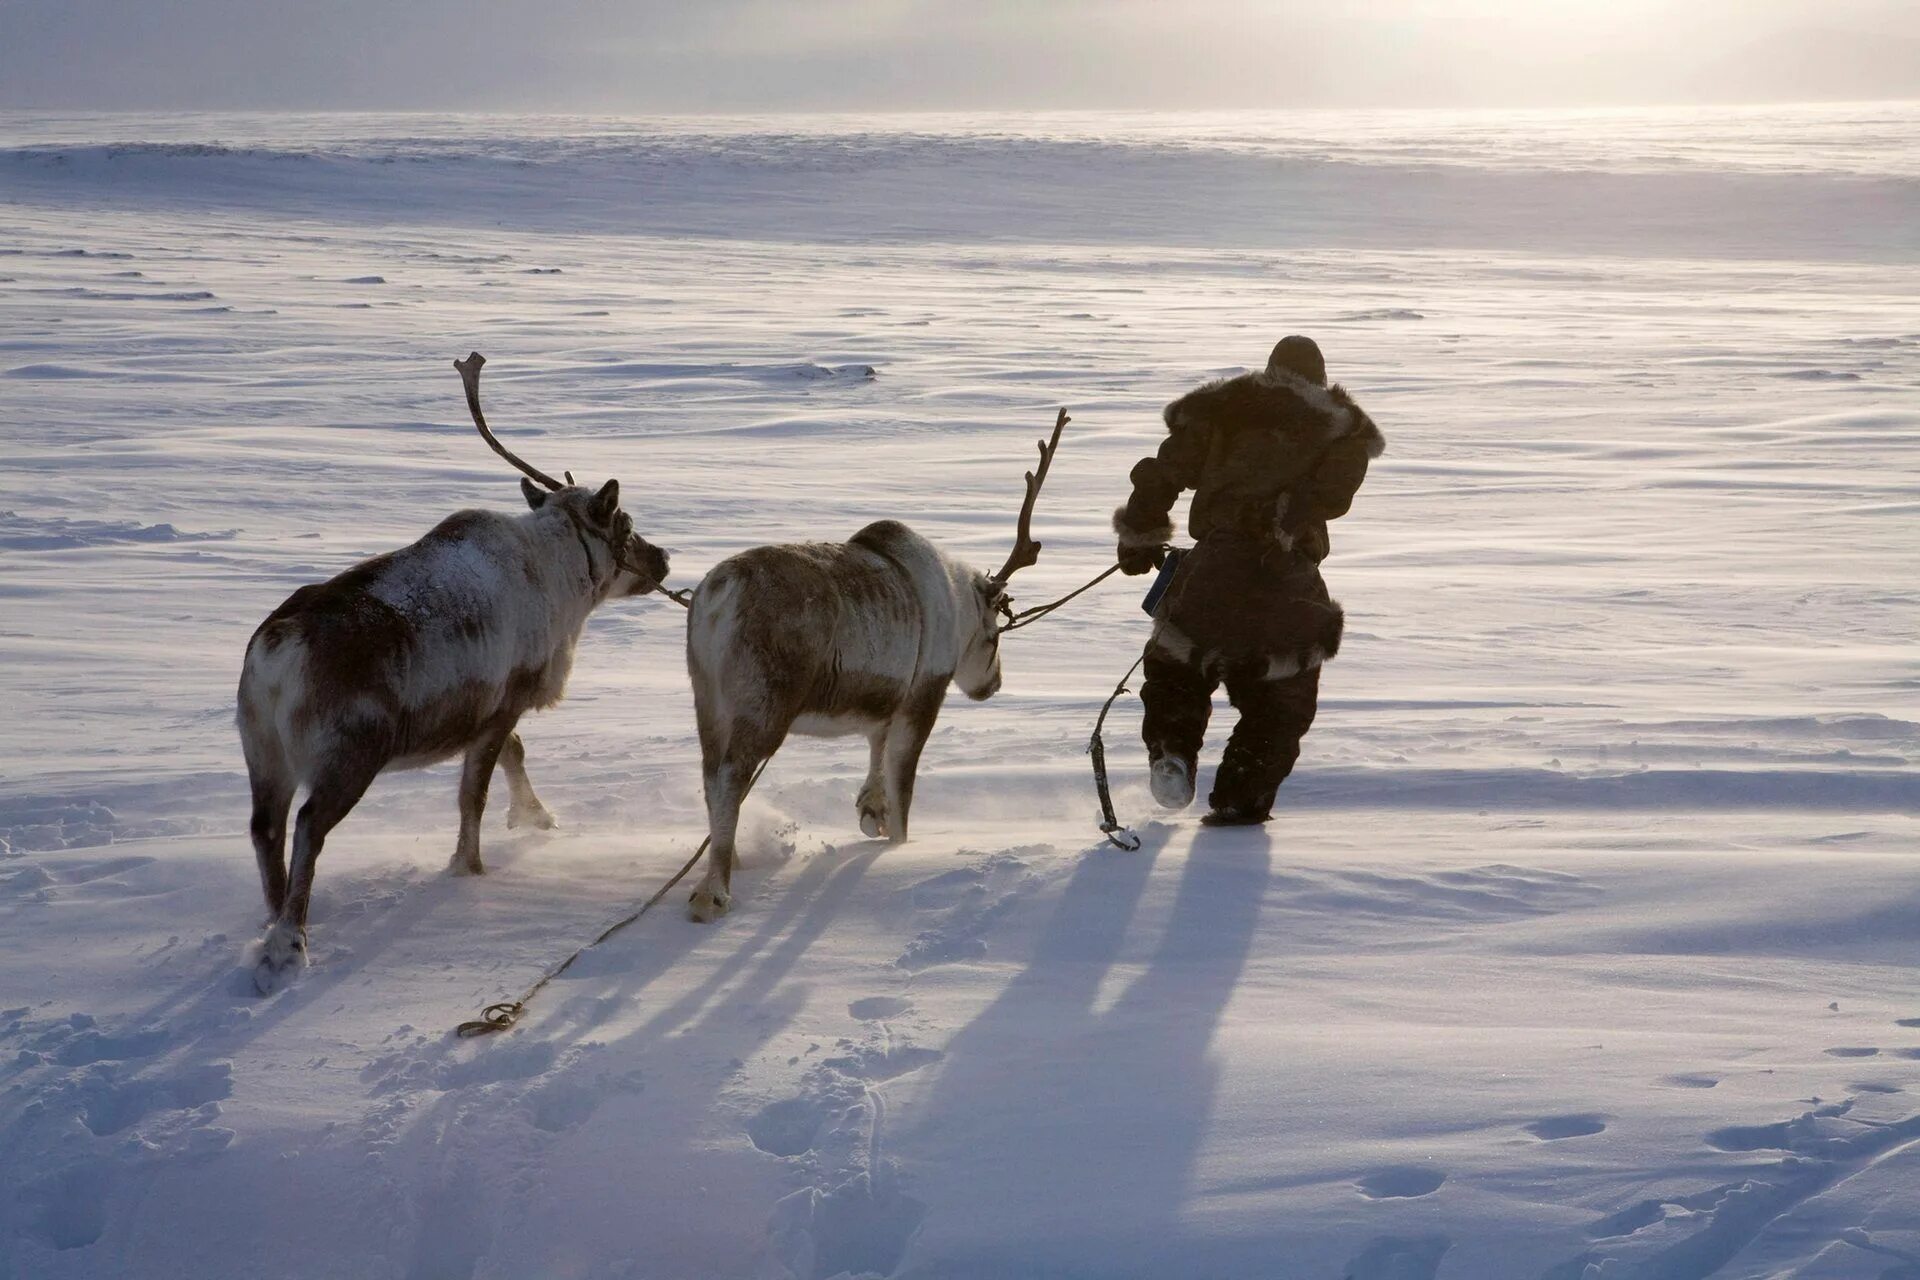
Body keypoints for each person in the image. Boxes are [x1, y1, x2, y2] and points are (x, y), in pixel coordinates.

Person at [1112, 336, 1385, 825]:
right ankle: (1242, 797)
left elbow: (1161, 474)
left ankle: (1172, 752)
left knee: (1177, 673)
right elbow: (1335, 492)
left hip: (1210, 571)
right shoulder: (1339, 428)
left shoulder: (1224, 411)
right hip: (1289, 583)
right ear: (1321, 380)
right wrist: (1286, 516)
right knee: (1282, 704)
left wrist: (1140, 536)